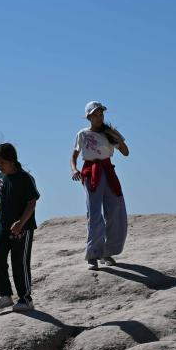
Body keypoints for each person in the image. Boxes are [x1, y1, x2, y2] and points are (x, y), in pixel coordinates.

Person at [70, 101, 130, 270]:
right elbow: (74, 155)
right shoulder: (83, 134)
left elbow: (126, 152)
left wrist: (116, 136)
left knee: (116, 209)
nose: (99, 117)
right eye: (95, 114)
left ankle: (107, 252)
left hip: (108, 171)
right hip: (91, 173)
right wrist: (74, 169)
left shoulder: (109, 132)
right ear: (88, 117)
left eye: (101, 114)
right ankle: (93, 255)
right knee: (95, 213)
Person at [0, 143, 40, 312]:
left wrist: (20, 223)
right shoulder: (0, 178)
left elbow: (32, 203)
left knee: (19, 262)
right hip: (3, 224)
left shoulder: (25, 178)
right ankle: (4, 295)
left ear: (12, 160)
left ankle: (25, 299)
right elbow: (3, 200)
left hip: (23, 227)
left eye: (1, 163)